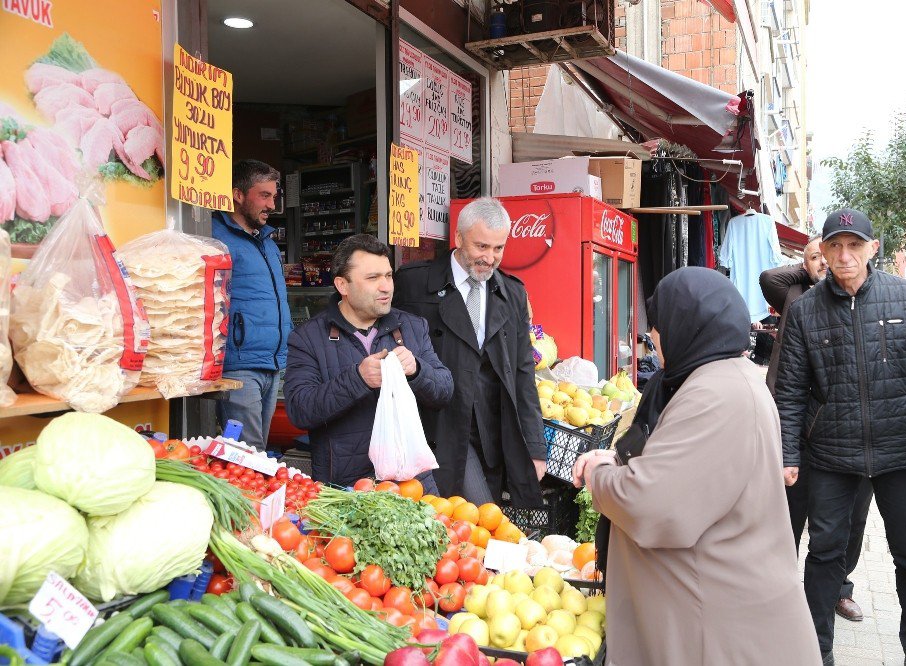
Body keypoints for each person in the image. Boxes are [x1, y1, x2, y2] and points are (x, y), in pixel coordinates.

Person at [573, 267, 820, 665]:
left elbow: (650, 504)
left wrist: (598, 475)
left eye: (658, 325)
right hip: (713, 610)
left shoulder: (717, 395)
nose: (652, 338)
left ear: (684, 325)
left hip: (714, 627)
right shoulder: (716, 377)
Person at [776, 208, 906, 666]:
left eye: (854, 245)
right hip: (830, 453)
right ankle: (815, 651)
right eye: (834, 246)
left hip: (901, 451)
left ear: (873, 248)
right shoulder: (806, 311)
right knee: (824, 553)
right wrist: (789, 453)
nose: (844, 256)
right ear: (822, 252)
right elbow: (789, 391)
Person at [393, 197, 546, 507]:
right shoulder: (413, 283)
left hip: (492, 430)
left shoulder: (512, 293)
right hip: (436, 425)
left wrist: (534, 447)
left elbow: (522, 373)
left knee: (471, 528)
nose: (490, 258)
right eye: (481, 247)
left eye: (498, 248)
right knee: (473, 516)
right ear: (459, 238)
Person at [760, 236, 874, 623]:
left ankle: (839, 588)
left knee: (852, 517)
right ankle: (779, 587)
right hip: (793, 421)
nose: (830, 262)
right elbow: (767, 275)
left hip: (843, 428)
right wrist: (812, 264)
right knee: (789, 509)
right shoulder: (792, 291)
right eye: (821, 255)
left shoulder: (859, 296)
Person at [282, 234, 453, 488]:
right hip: (346, 489)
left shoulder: (413, 327)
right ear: (343, 285)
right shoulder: (307, 338)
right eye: (373, 278)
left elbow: (444, 391)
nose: (386, 286)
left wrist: (417, 370)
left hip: (411, 483)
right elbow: (299, 410)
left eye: (388, 276)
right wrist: (357, 379)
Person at [212, 159, 292, 450]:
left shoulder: (267, 242)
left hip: (271, 362)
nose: (272, 204)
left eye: (274, 196)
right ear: (238, 194)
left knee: (257, 448)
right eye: (264, 195)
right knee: (247, 451)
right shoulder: (215, 236)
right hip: (238, 364)